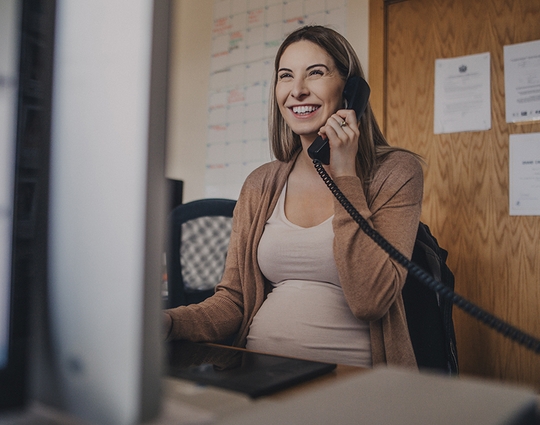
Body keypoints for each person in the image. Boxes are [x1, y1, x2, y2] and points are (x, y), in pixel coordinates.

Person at [163, 25, 423, 369]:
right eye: (286, 76)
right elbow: (233, 302)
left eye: (316, 73)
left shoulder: (396, 172)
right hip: (257, 376)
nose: (297, 90)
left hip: (353, 384)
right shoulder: (261, 183)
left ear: (351, 90)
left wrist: (345, 174)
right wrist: (167, 323)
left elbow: (370, 300)